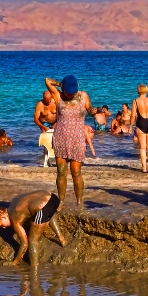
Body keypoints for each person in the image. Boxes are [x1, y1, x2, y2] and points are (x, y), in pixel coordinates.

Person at [45, 75, 97, 206]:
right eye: (68, 91)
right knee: (61, 172)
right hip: (60, 138)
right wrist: (61, 85)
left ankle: (79, 201)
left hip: (77, 139)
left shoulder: (83, 96)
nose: (69, 94)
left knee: (76, 172)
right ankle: (61, 201)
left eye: (72, 91)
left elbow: (91, 111)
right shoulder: (58, 96)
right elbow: (47, 81)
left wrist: (94, 111)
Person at [0, 190, 67, 266]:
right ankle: (62, 239)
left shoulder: (14, 220)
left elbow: (24, 244)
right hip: (53, 198)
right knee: (49, 214)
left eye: (1, 225)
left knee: (32, 240)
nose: (3, 228)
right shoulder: (13, 202)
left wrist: (15, 262)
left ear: (3, 217)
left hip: (43, 208)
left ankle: (34, 268)